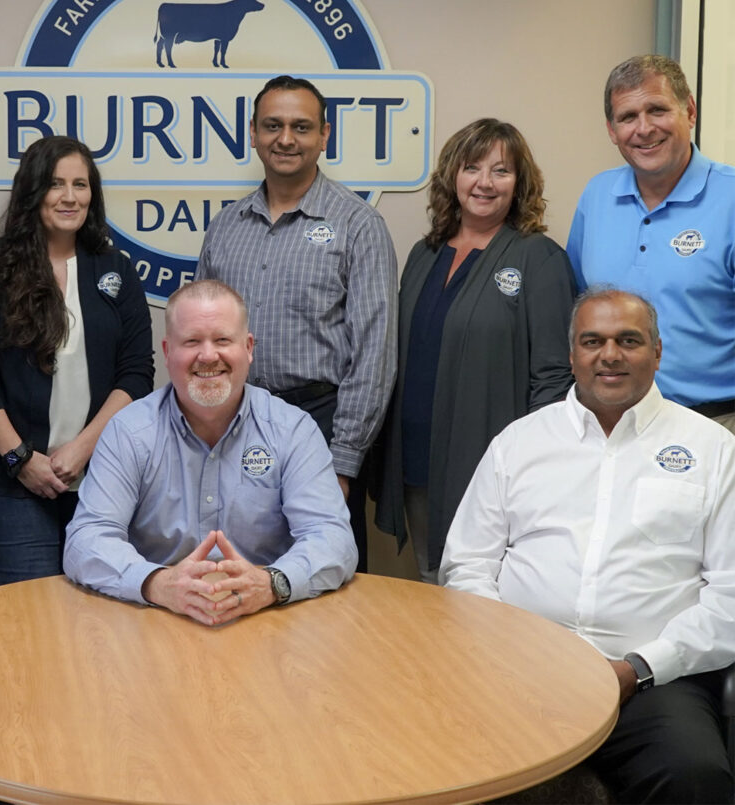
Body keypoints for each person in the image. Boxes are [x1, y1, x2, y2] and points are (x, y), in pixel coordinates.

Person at [441, 288, 735, 804]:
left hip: (652, 681)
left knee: (696, 776)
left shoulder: (713, 449)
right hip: (518, 674)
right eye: (592, 341)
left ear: (658, 351)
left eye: (629, 340)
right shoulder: (519, 442)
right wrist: (507, 652)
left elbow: (730, 593)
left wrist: (640, 668)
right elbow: (467, 564)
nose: (611, 354)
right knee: (448, 768)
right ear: (573, 353)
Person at [63, 280, 357, 626]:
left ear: (248, 347)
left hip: (267, 618)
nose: (207, 355)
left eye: (222, 340)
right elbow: (86, 540)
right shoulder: (128, 431)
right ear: (168, 351)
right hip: (158, 619)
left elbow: (333, 538)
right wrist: (157, 584)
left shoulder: (292, 430)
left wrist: (273, 583)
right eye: (191, 341)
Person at [196, 75, 397, 570]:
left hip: (320, 422)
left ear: (324, 135)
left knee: (324, 579)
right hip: (233, 423)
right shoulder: (226, 228)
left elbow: (375, 353)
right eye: (273, 125)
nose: (286, 138)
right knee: (233, 571)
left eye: (301, 127)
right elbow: (196, 338)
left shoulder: (357, 225)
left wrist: (344, 458)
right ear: (253, 133)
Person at [372, 119, 575, 582]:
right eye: (472, 168)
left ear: (520, 183)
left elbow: (553, 379)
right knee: (431, 584)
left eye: (500, 171)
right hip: (419, 461)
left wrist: (532, 468)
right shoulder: (425, 253)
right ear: (452, 176)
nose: (484, 182)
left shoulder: (539, 258)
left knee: (483, 599)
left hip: (492, 467)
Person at [0, 136, 154, 585]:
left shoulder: (114, 269)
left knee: (99, 615)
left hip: (98, 478)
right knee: (36, 618)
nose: (70, 196)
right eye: (56, 184)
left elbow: (137, 373)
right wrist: (19, 458)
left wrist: (83, 449)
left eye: (81, 184)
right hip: (6, 482)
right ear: (32, 190)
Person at [567, 55, 735, 431]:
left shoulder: (731, 198)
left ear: (689, 111)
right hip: (613, 423)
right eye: (627, 117)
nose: (643, 129)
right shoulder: (597, 196)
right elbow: (581, 308)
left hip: (717, 422)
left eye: (657, 110)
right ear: (612, 130)